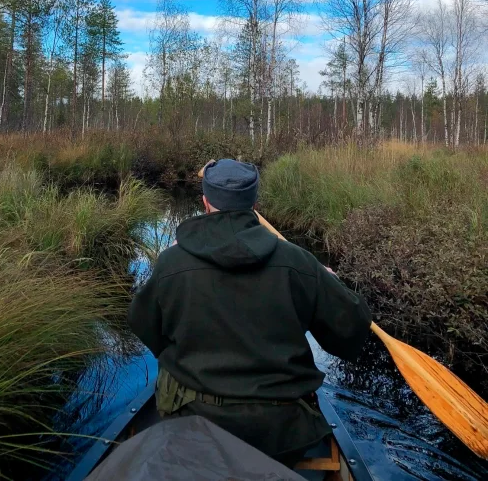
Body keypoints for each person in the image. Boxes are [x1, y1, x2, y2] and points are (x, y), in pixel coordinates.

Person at [128, 158, 371, 468]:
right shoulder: (299, 263)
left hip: (194, 424)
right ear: (254, 204)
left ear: (205, 203)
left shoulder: (171, 263)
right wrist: (329, 282)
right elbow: (351, 328)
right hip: (282, 434)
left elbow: (145, 327)